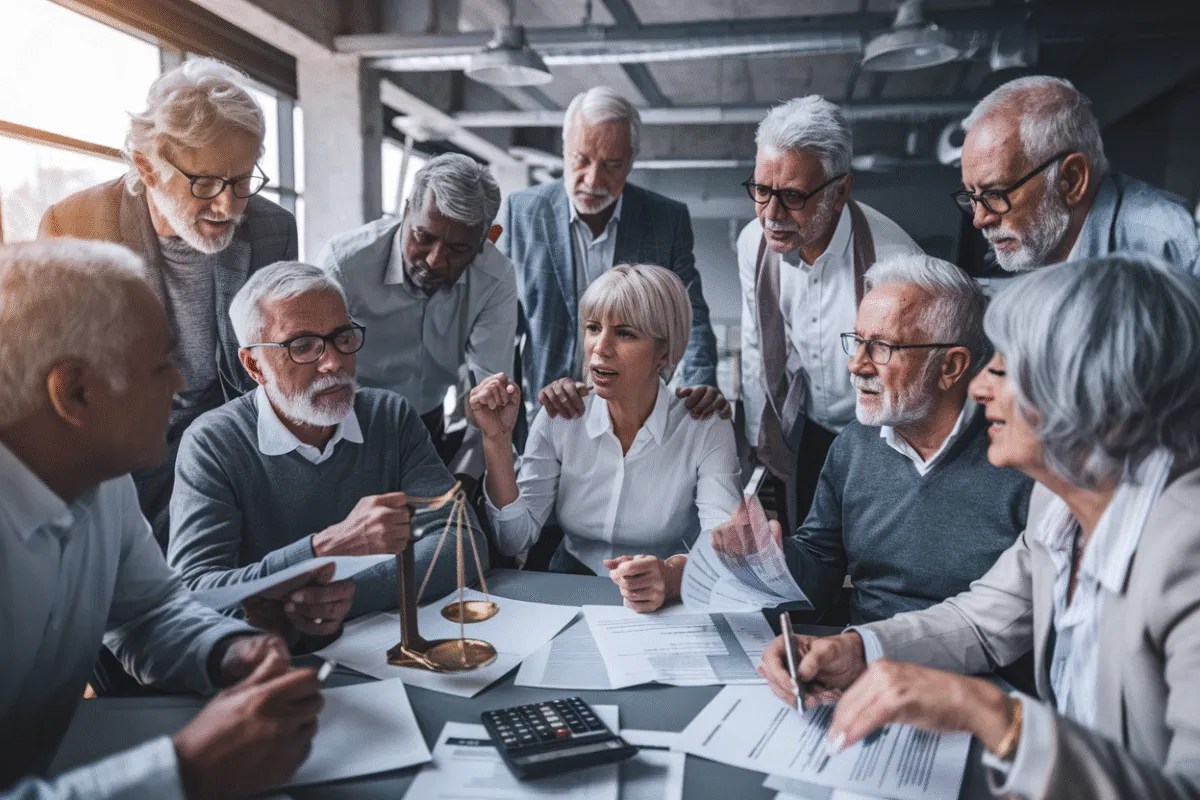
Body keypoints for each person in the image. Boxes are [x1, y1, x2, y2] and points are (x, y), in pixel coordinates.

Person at [759, 256, 1200, 799]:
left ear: (1099, 390)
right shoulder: (1058, 507)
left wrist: (993, 715)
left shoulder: (1188, 550)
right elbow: (978, 622)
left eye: (1004, 370)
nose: (978, 388)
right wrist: (858, 649)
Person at [0, 239, 321, 799]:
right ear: (75, 392)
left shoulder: (102, 479)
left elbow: (148, 613)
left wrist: (228, 649)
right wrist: (185, 771)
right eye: (158, 365)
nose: (178, 385)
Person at [38, 57, 298, 549]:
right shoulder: (74, 226)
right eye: (205, 184)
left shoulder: (273, 229)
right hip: (117, 451)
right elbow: (53, 377)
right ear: (147, 168)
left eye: (242, 181)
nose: (228, 206)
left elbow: (274, 361)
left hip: (225, 441)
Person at [167, 261, 486, 635]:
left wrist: (353, 593)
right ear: (254, 365)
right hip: (269, 656)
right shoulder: (213, 443)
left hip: (379, 643)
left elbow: (464, 544)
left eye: (343, 337)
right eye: (302, 346)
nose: (333, 362)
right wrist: (322, 548)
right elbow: (195, 592)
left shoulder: (389, 417)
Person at [714, 255, 1032, 624]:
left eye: (882, 347)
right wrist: (769, 560)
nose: (856, 365)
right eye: (858, 341)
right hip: (859, 650)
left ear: (950, 366)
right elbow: (820, 572)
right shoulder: (854, 446)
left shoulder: (1020, 457)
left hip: (974, 656)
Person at [469, 264, 740, 611]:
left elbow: (725, 543)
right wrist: (496, 439)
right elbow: (513, 541)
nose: (600, 347)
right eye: (593, 328)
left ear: (664, 353)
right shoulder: (560, 417)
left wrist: (673, 576)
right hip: (570, 585)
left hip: (672, 594)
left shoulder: (705, 426)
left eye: (625, 333)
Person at [739, 96, 923, 530]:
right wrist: (760, 457)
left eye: (792, 196)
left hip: (883, 440)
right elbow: (756, 350)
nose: (771, 215)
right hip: (808, 433)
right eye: (761, 191)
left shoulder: (897, 262)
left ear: (839, 191)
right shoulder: (753, 245)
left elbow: (916, 389)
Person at [498, 86, 727, 423]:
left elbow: (690, 317)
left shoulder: (666, 220)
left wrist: (698, 384)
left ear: (631, 161)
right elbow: (502, 325)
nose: (594, 180)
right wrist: (503, 405)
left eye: (612, 165)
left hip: (636, 417)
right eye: (581, 160)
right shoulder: (521, 213)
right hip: (548, 414)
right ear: (564, 149)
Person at [320, 153, 516, 462]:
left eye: (458, 249)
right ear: (406, 210)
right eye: (423, 237)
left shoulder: (494, 277)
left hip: (428, 421)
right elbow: (312, 371)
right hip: (346, 420)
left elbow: (491, 389)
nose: (435, 261)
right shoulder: (345, 264)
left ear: (480, 242)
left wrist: (468, 472)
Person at [955, 75, 1200, 275]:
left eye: (995, 193)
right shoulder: (1042, 244)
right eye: (972, 195)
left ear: (1072, 180)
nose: (979, 219)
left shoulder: (1174, 249)